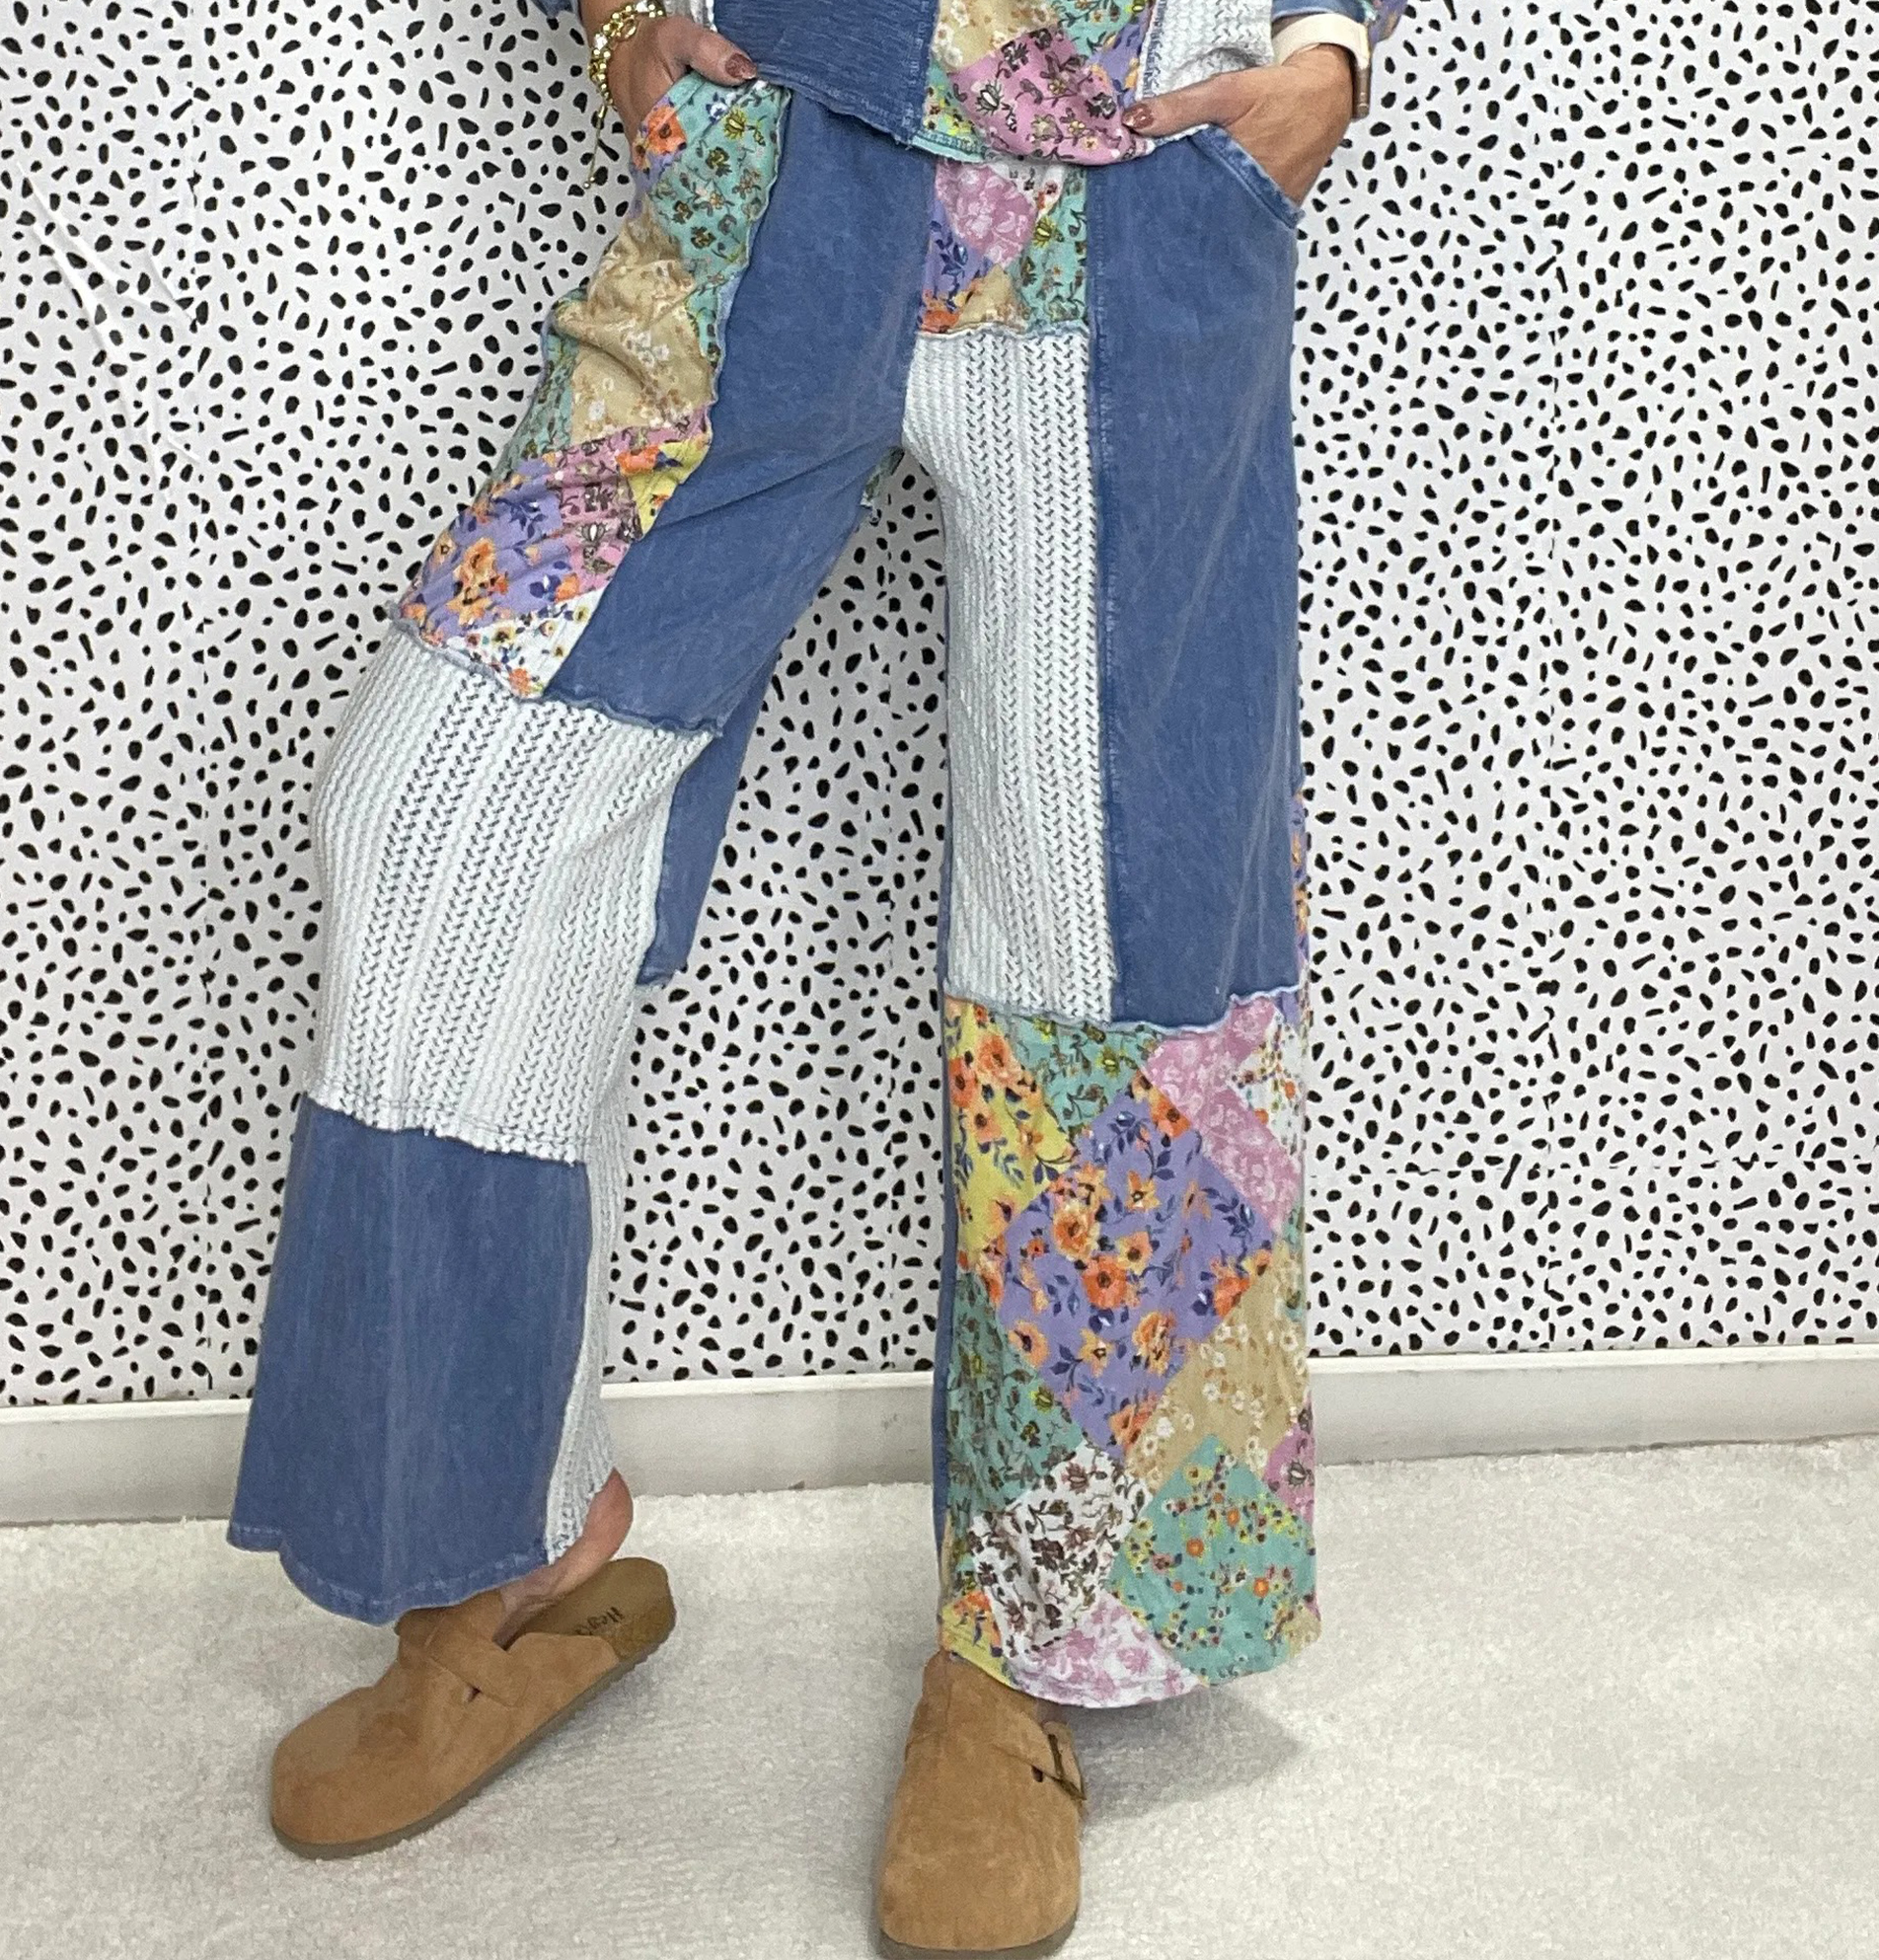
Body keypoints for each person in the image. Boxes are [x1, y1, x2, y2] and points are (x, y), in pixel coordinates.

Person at [226, 0, 1399, 1950]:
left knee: (1102, 932)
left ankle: (1029, 1651)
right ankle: (515, 1551)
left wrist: (1329, 54)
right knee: (439, 820)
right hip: (778, 151)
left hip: (1139, 164)